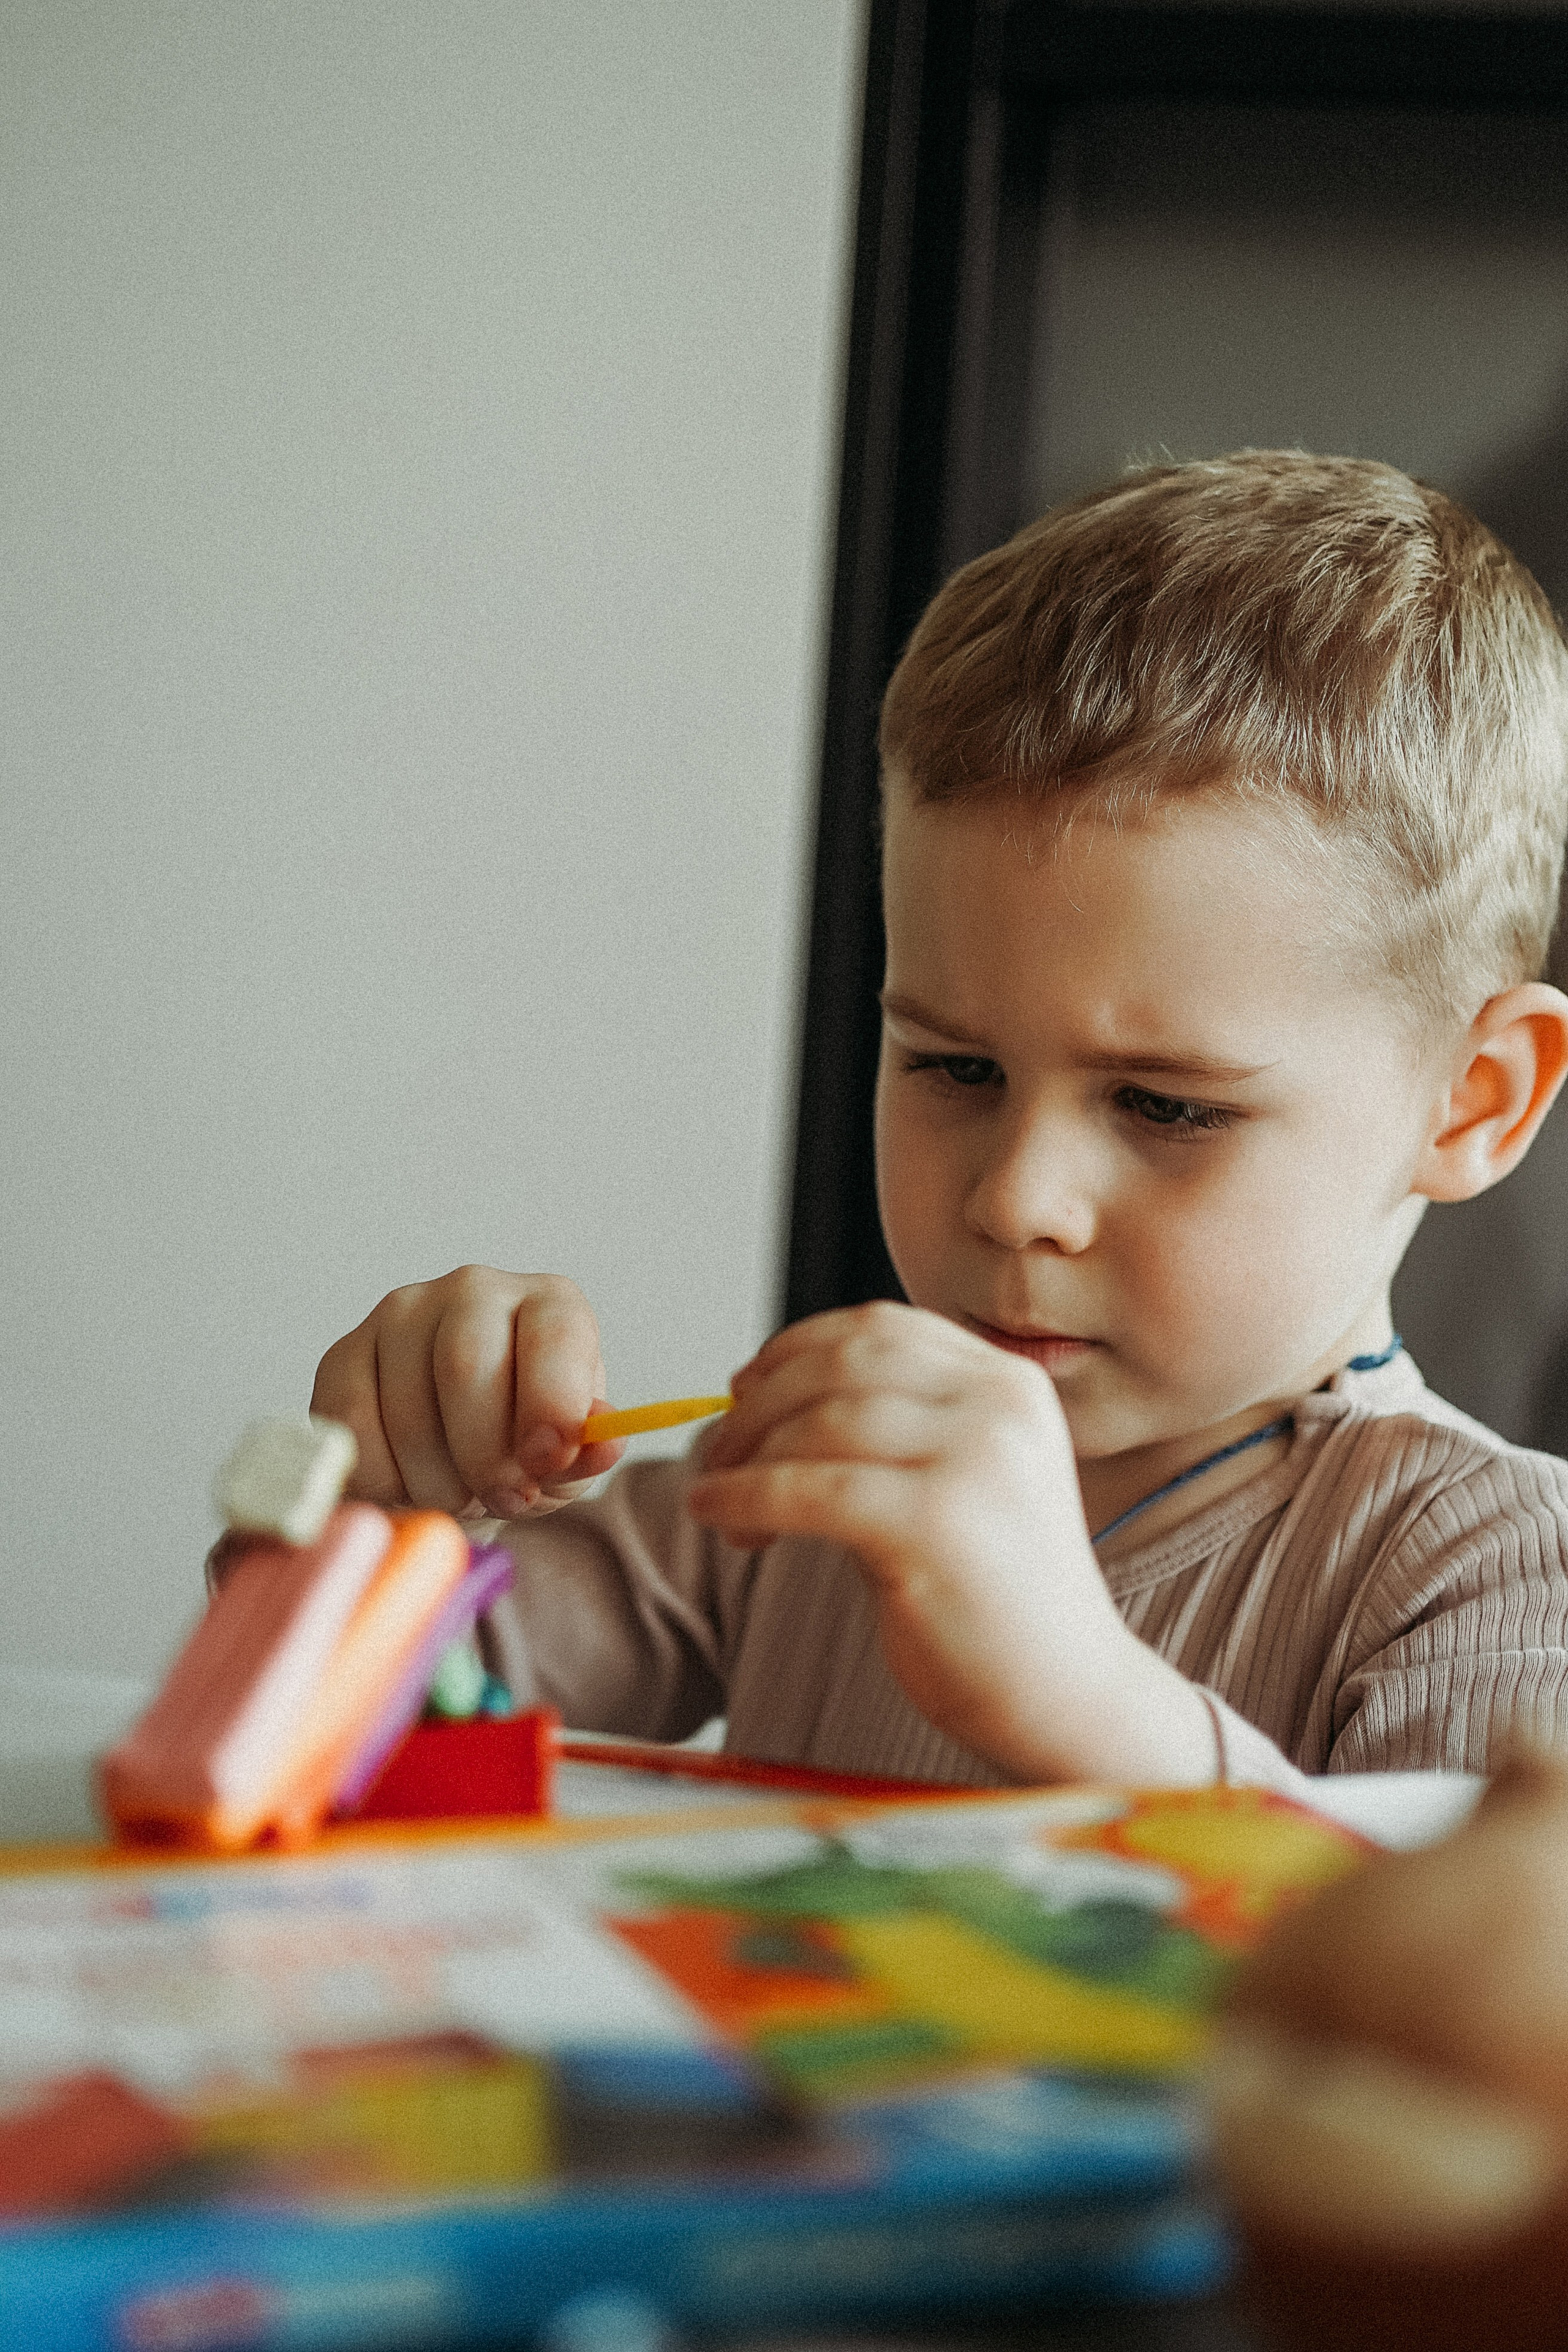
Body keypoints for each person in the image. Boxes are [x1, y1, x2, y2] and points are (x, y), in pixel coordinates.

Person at [311, 451, 1568, 1796]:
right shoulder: (810, 1485)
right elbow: (357, 1742)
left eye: (1161, 1105)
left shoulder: (1491, 1565)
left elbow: (1461, 1995)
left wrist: (1080, 1695)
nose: (1017, 1196)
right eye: (956, 1069)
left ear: (1473, 1100)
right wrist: (384, 1515)